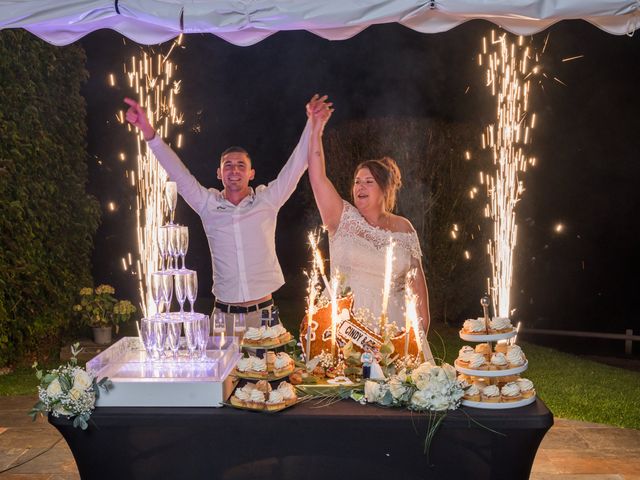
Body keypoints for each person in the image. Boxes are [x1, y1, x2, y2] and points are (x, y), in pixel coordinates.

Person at [124, 95, 332, 333]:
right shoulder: (207, 205)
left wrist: (314, 124)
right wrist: (149, 133)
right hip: (224, 317)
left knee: (277, 370)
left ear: (251, 173)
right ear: (219, 173)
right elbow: (178, 174)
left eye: (241, 165)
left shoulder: (267, 200)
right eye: (228, 165)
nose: (234, 170)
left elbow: (296, 165)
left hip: (264, 314)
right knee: (223, 372)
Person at [307, 98, 433, 360]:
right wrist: (316, 129)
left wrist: (419, 336)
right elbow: (318, 177)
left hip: (394, 334)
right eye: (356, 182)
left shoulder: (404, 227)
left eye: (368, 181)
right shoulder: (341, 218)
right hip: (346, 330)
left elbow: (417, 286)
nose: (359, 187)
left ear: (385, 189)